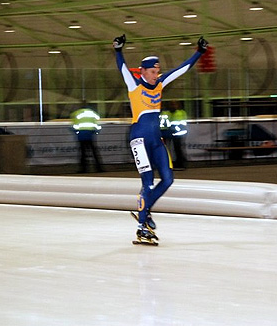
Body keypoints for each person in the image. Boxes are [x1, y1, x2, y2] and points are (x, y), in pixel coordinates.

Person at [113, 33, 208, 244]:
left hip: (157, 140)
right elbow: (122, 67)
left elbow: (182, 69)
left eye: (158, 72)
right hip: (138, 140)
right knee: (147, 184)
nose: (156, 75)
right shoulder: (134, 85)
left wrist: (199, 52)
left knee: (168, 179)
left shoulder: (160, 83)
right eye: (152, 72)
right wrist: (118, 49)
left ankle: (144, 211)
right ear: (143, 71)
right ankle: (142, 224)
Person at [70, 102, 103, 173]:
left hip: (81, 135)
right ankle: (99, 168)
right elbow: (97, 124)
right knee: (94, 152)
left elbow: (74, 126)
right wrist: (96, 132)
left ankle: (84, 169)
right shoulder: (92, 113)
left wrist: (77, 133)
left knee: (83, 153)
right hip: (90, 134)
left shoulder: (77, 113)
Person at [167, 100, 188, 170]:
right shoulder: (179, 112)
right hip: (176, 132)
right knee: (177, 149)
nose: (172, 106)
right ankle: (180, 162)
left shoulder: (178, 113)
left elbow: (175, 123)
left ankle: (180, 163)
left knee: (177, 149)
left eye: (174, 104)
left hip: (178, 133)